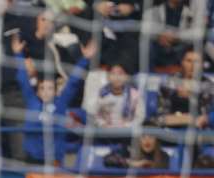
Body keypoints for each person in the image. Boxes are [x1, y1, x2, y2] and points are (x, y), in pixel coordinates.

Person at [13, 35, 94, 166]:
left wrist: (85, 59)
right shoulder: (31, 101)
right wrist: (18, 54)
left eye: (50, 88)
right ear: (37, 91)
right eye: (42, 88)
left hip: (54, 161)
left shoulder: (60, 103)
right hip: (32, 159)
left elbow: (73, 82)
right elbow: (22, 79)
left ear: (56, 92)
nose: (46, 92)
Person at [102, 125, 171, 169]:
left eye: (151, 136)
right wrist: (131, 163)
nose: (147, 140)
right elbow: (107, 160)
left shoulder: (163, 156)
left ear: (157, 140)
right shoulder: (128, 152)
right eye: (143, 136)